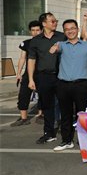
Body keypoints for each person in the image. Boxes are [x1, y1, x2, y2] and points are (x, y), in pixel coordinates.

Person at [50, 19, 87, 151]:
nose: (70, 31)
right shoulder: (61, 45)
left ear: (77, 29)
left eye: (72, 28)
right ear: (64, 32)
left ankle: (85, 142)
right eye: (67, 29)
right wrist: (54, 49)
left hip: (81, 84)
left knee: (82, 115)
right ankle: (66, 140)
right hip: (63, 85)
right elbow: (55, 48)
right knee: (65, 114)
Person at [28, 12, 67, 144]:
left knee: (64, 104)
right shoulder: (36, 40)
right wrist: (31, 79)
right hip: (44, 77)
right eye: (52, 21)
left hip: (61, 76)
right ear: (44, 24)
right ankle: (49, 133)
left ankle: (66, 132)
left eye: (56, 21)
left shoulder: (62, 36)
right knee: (47, 106)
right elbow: (31, 60)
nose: (55, 23)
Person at [11, 20, 42, 127]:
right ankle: (23, 118)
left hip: (42, 73)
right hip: (28, 74)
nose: (35, 32)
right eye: (33, 30)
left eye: (37, 30)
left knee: (43, 95)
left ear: (41, 30)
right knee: (23, 95)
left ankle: (41, 116)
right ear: (30, 31)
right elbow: (22, 58)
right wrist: (18, 73)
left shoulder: (45, 43)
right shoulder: (26, 43)